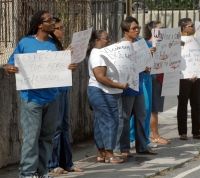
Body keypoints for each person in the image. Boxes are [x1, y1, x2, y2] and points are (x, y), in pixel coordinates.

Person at [3, 10, 75, 178]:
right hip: (31, 99)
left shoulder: (54, 44)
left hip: (52, 98)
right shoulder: (25, 43)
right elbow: (10, 64)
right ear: (40, 25)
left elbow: (61, 67)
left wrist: (69, 67)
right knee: (31, 137)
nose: (53, 23)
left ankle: (42, 172)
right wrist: (9, 69)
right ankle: (27, 173)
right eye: (49, 20)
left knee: (47, 137)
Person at [117, 16, 156, 157]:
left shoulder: (141, 42)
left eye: (138, 27)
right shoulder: (121, 46)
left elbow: (146, 65)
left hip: (139, 84)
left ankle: (142, 146)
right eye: (134, 28)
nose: (137, 30)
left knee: (142, 114)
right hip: (127, 87)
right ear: (125, 31)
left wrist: (147, 61)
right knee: (125, 117)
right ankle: (125, 149)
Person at [87, 30, 128, 164]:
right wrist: (119, 85)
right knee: (111, 121)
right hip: (102, 91)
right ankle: (110, 154)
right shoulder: (98, 54)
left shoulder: (102, 52)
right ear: (97, 40)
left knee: (101, 122)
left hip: (105, 91)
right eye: (106, 38)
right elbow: (100, 77)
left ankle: (102, 153)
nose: (109, 40)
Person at [48, 17, 81, 175]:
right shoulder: (49, 45)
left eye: (62, 27)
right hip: (55, 91)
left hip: (64, 88)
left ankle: (67, 162)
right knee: (56, 128)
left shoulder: (58, 45)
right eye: (59, 28)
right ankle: (53, 164)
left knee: (65, 126)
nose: (62, 30)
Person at [177, 18, 200, 140]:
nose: (193, 27)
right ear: (183, 28)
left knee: (196, 105)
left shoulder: (196, 40)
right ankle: (183, 132)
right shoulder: (177, 41)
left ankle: (196, 132)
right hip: (183, 78)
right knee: (182, 105)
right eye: (191, 26)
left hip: (196, 78)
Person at [145, 21, 170, 145]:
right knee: (153, 109)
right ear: (153, 31)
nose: (164, 30)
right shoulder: (147, 45)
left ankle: (154, 134)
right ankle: (155, 136)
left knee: (156, 108)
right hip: (153, 78)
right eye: (161, 28)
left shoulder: (163, 44)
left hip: (161, 78)